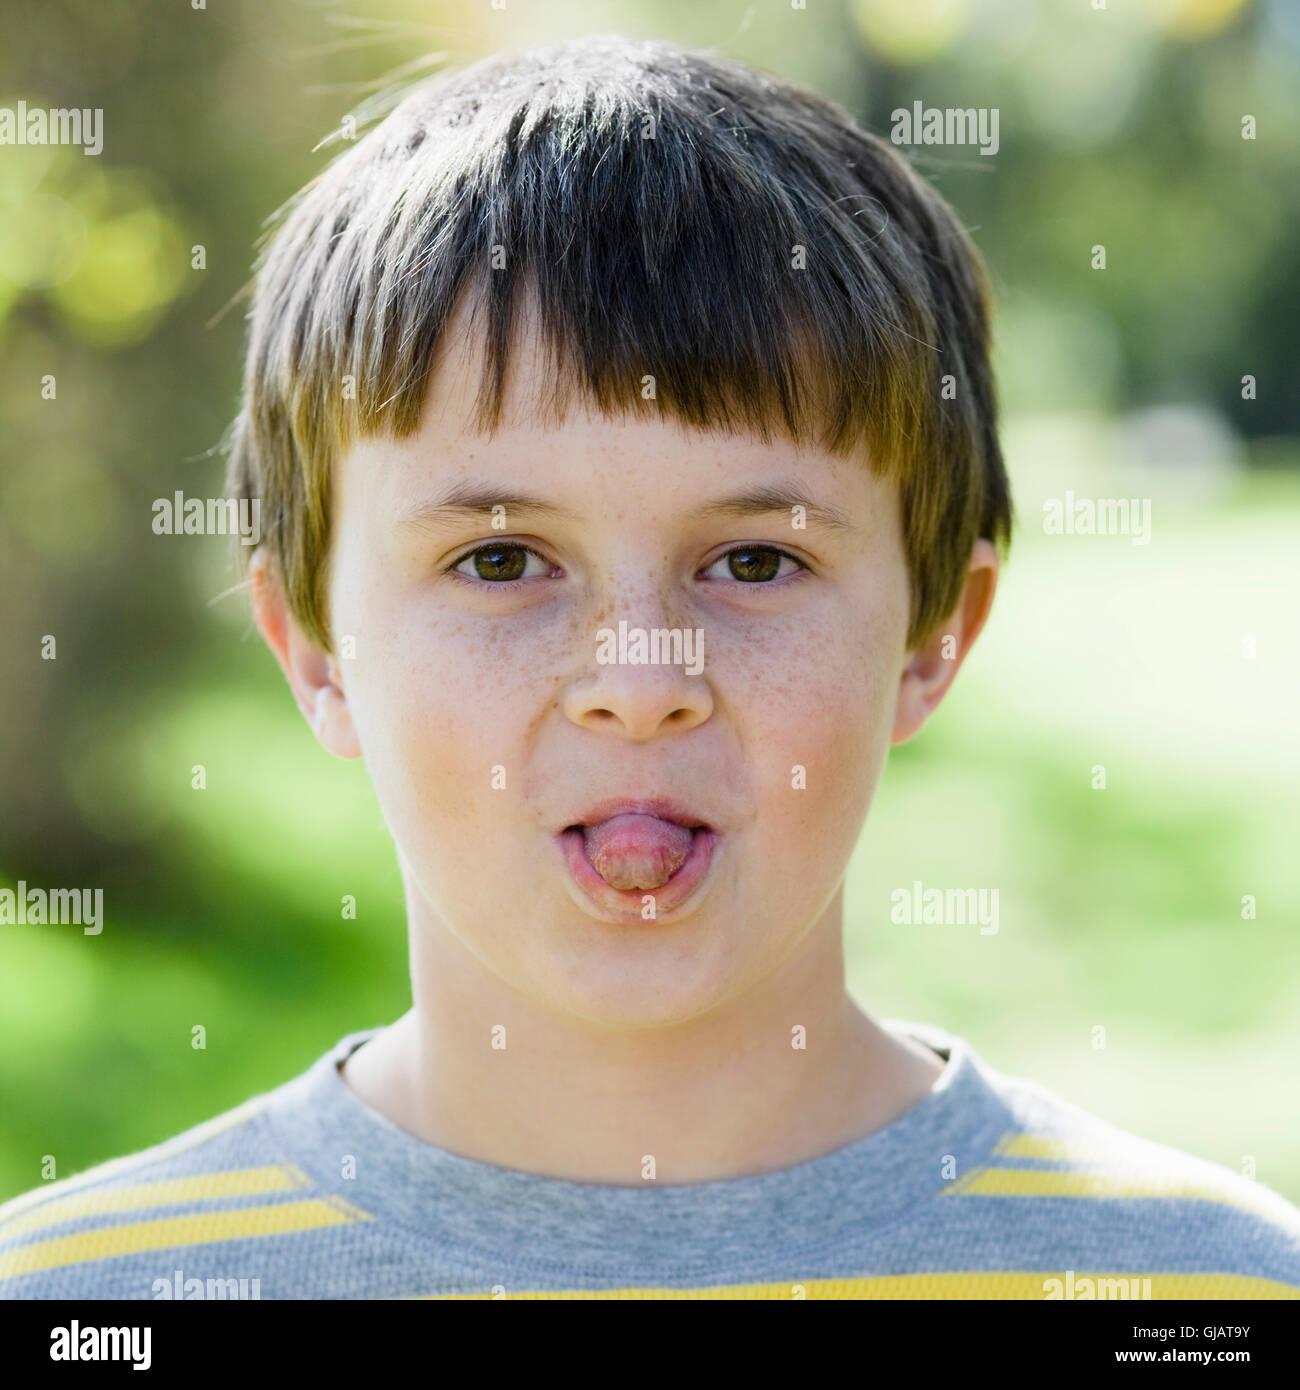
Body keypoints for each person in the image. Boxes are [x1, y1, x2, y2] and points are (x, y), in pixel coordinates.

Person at [3, 34, 1296, 1300]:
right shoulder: (92, 1298)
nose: (638, 676)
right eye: (504, 560)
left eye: (751, 561)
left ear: (934, 632)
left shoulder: (1200, 1291)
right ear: (315, 649)